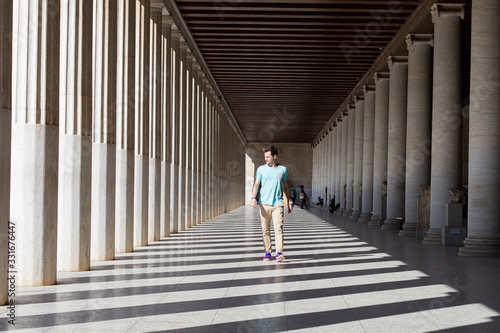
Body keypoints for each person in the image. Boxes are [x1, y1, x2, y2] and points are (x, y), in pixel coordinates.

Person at [251, 145, 293, 262]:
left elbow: (285, 186)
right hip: (264, 204)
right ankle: (268, 252)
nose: (266, 159)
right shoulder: (261, 169)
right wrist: (253, 197)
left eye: (268, 157)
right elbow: (256, 184)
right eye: (265, 157)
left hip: (278, 204)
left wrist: (289, 201)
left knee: (278, 228)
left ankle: (279, 252)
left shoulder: (282, 170)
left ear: (275, 156)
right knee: (265, 230)